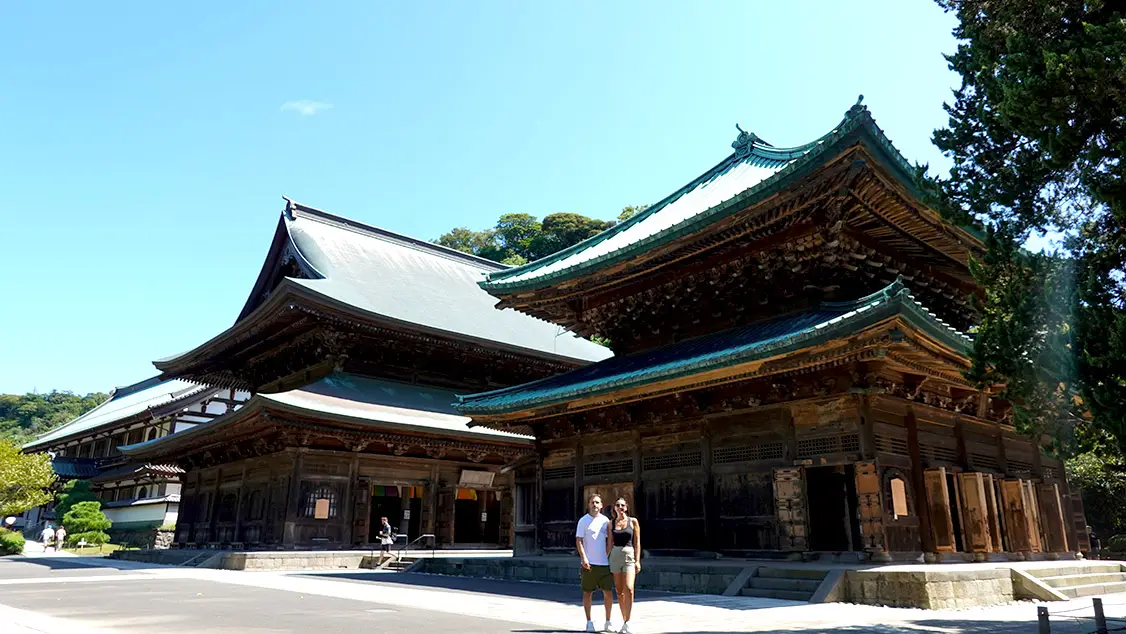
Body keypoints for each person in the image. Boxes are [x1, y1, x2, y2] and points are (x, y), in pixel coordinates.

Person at [576, 494, 613, 633]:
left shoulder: (605, 521)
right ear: (588, 505)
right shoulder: (583, 521)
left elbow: (610, 539)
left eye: (597, 502)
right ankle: (589, 622)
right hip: (589, 563)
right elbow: (579, 540)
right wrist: (584, 558)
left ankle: (608, 621)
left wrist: (607, 553)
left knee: (608, 592)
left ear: (601, 505)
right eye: (592, 502)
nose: (595, 505)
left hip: (604, 563)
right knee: (587, 593)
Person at [607, 497, 641, 634]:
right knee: (619, 591)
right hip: (615, 555)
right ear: (614, 508)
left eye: (622, 505)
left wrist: (637, 560)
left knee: (629, 588)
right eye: (617, 505)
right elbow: (609, 542)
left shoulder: (633, 521)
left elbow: (637, 542)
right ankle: (624, 620)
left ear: (626, 507)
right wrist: (604, 559)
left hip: (629, 555)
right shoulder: (611, 523)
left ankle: (629, 621)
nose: (620, 507)